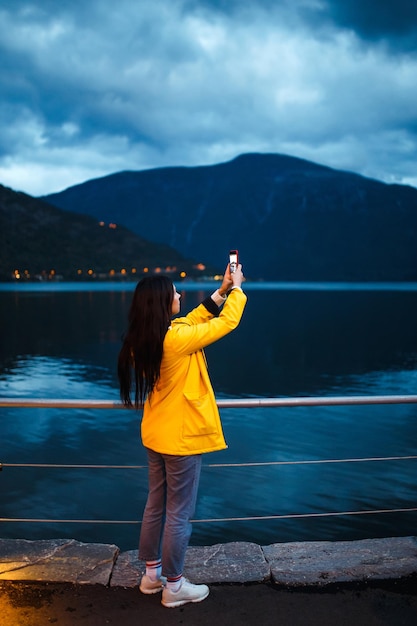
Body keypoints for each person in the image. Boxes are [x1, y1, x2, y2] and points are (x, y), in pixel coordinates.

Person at [117, 262, 246, 608]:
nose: (179, 294)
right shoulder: (175, 341)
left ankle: (151, 576)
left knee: (155, 504)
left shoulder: (146, 338)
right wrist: (237, 289)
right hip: (180, 439)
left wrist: (220, 290)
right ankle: (174, 587)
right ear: (162, 302)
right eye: (174, 292)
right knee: (179, 513)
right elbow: (226, 323)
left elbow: (192, 320)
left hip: (156, 434)